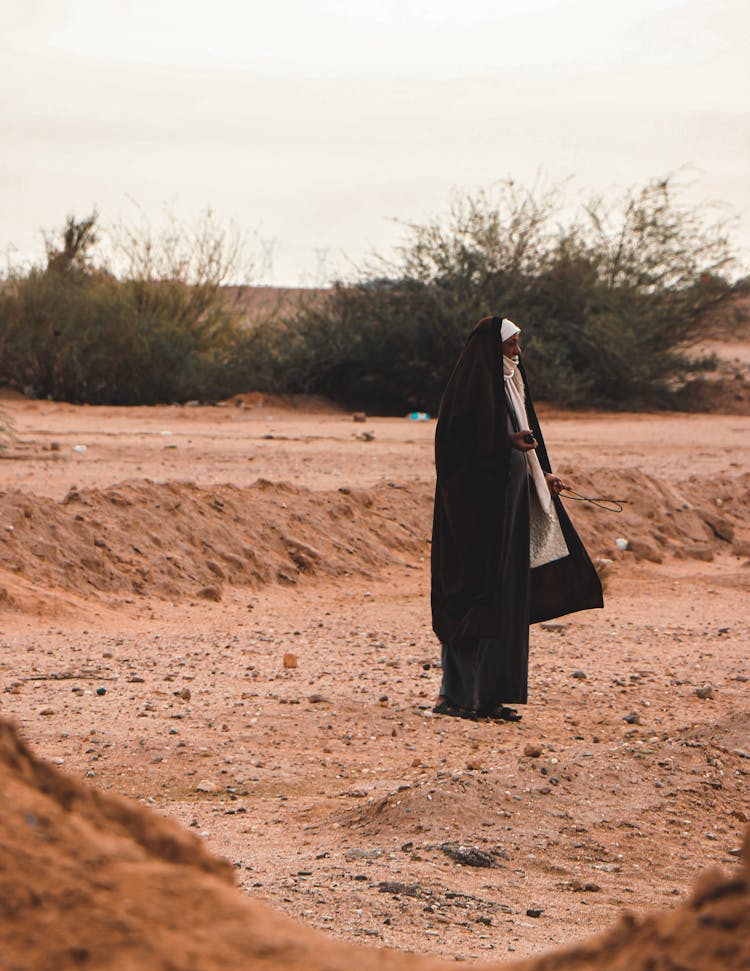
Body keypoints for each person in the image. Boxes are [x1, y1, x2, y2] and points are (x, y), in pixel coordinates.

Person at [431, 314, 603, 721]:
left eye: (518, 345)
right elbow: (454, 448)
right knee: (474, 598)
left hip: (509, 512)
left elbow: (526, 443)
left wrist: (542, 475)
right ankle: (457, 697)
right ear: (493, 349)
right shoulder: (470, 391)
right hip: (475, 521)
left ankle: (491, 696)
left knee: (506, 600)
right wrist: (503, 441)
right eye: (511, 346)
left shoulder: (512, 387)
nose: (517, 352)